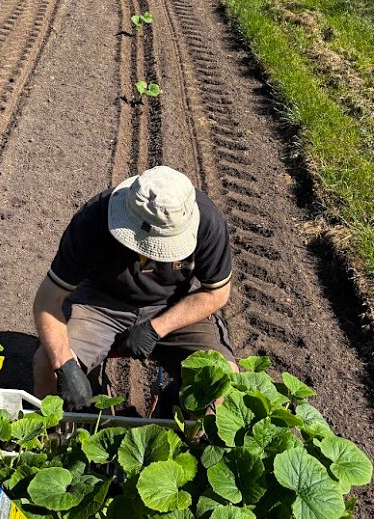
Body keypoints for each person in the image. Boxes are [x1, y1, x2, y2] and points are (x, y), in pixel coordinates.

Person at [32, 165, 237, 411]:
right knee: (47, 366)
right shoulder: (94, 219)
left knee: (222, 380)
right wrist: (65, 367)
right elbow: (47, 300)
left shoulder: (207, 222)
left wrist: (155, 329)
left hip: (171, 306)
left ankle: (184, 418)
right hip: (101, 302)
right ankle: (61, 437)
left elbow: (216, 293)